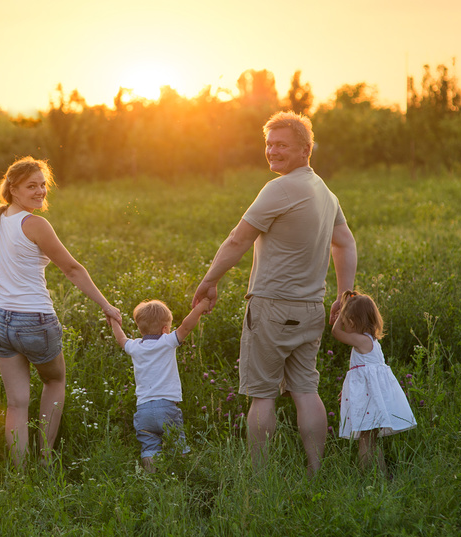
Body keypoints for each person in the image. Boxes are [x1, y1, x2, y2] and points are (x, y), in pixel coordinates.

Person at [192, 111, 357, 476]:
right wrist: (344, 294)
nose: (272, 151)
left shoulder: (279, 189)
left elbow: (238, 238)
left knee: (262, 394)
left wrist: (209, 281)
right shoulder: (325, 192)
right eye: (268, 144)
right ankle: (316, 470)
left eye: (281, 145)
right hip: (312, 307)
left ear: (305, 149)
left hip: (271, 307)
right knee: (305, 389)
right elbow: (345, 244)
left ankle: (260, 477)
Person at [0, 156, 121, 466]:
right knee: (54, 382)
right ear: (13, 188)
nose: (40, 192)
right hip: (35, 320)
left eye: (43, 185)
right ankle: (45, 458)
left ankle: (19, 476)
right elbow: (72, 268)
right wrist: (106, 305)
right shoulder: (35, 223)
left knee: (16, 403)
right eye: (31, 186)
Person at [108, 298, 211, 472]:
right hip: (167, 408)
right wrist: (200, 307)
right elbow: (186, 326)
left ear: (140, 329)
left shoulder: (134, 347)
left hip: (143, 409)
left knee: (149, 447)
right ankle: (182, 478)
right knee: (177, 444)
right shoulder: (167, 341)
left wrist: (113, 320)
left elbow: (120, 338)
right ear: (165, 329)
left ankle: (152, 480)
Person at [331, 290, 416, 476]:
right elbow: (361, 379)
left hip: (368, 401)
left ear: (353, 322)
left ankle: (368, 477)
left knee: (365, 439)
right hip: (373, 400)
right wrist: (348, 394)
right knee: (370, 439)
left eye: (346, 321)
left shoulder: (361, 341)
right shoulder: (372, 342)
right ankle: (382, 475)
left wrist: (340, 311)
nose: (344, 325)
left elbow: (335, 332)